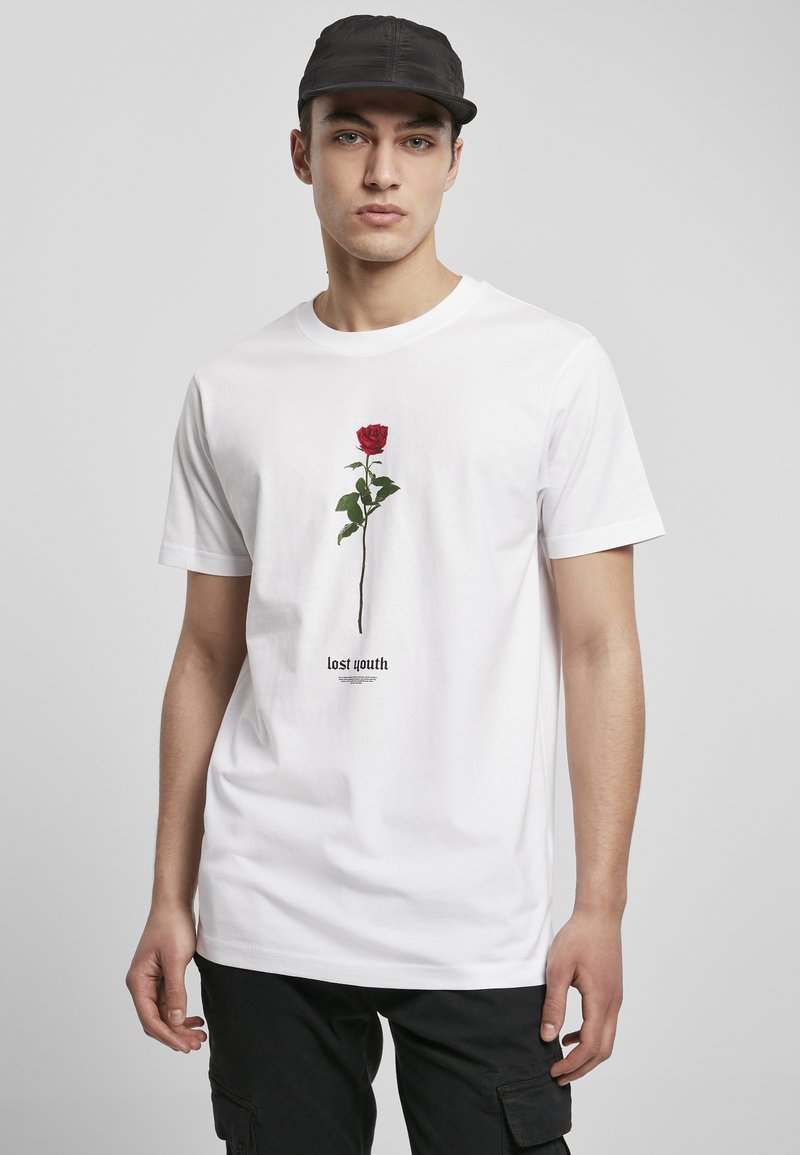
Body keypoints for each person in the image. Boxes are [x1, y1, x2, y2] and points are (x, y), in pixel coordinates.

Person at [126, 14, 666, 1154]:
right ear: (301, 152)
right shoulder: (232, 387)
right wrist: (170, 895)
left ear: (454, 160)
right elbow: (207, 655)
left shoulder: (550, 367)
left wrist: (600, 904)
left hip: (471, 920)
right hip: (266, 914)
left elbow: (599, 649)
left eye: (416, 139)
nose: (382, 171)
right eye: (349, 135)